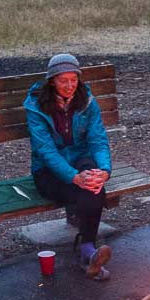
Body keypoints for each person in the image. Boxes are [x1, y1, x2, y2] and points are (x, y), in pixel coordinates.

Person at [25, 53, 114, 281]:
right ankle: (88, 252)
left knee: (94, 183)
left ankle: (88, 251)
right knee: (85, 187)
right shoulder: (36, 106)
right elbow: (46, 151)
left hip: (80, 159)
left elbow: (98, 139)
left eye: (73, 80)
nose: (69, 86)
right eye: (63, 80)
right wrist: (74, 177)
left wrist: (103, 170)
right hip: (48, 170)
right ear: (52, 81)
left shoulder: (86, 100)